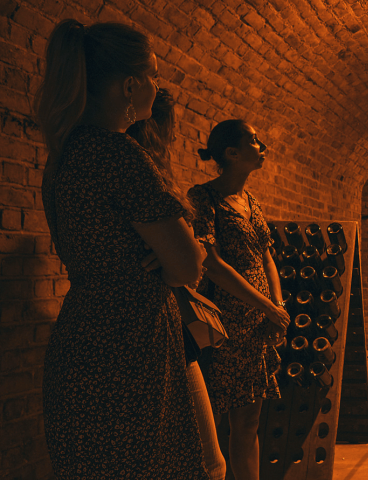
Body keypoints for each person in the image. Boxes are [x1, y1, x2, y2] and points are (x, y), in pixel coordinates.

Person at [34, 19, 209, 478]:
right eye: (154, 76)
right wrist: (174, 259)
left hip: (82, 337)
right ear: (130, 86)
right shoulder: (118, 153)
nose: (158, 87)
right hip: (131, 343)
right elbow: (187, 266)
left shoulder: (64, 155)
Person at [127, 88, 227, 480]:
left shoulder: (74, 162)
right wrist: (184, 256)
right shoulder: (134, 166)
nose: (174, 137)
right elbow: (189, 266)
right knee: (209, 463)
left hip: (137, 326)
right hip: (156, 327)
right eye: (171, 127)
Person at [188, 120, 290, 480]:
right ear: (232, 153)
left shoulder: (251, 201)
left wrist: (277, 306)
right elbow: (212, 264)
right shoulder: (204, 198)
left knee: (248, 422)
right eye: (254, 141)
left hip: (257, 325)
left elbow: (266, 257)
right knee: (213, 422)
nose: (263, 147)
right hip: (224, 322)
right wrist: (268, 307)